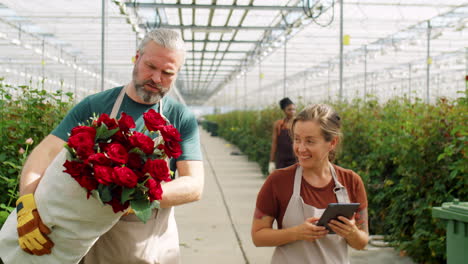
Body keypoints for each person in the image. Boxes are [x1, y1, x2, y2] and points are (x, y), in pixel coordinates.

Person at [10, 29, 204, 264]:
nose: (156, 78)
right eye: (151, 66)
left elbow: (194, 185)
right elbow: (47, 152)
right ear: (137, 57)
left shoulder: (179, 117)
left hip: (142, 244)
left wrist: (137, 198)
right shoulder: (97, 104)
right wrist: (26, 203)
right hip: (85, 238)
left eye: (167, 73)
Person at [252, 104, 369, 263]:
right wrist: (296, 233)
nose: (300, 148)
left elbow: (362, 243)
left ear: (332, 142)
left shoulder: (351, 181)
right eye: (297, 139)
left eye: (310, 141)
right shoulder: (278, 181)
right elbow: (258, 236)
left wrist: (352, 233)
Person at [268, 97, 297, 174]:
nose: (292, 112)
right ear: (284, 110)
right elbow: (274, 143)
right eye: (289, 109)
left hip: (295, 159)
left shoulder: (298, 123)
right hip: (281, 160)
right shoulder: (279, 125)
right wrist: (271, 161)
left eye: (294, 109)